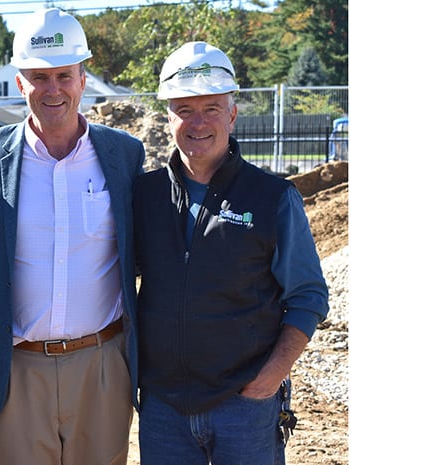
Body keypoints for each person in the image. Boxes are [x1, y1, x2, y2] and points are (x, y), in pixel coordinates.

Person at [0, 8, 145, 465]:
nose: (53, 89)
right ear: (20, 82)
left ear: (83, 78)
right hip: (15, 364)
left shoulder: (124, 155)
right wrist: (3, 291)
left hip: (101, 363)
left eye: (64, 75)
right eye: (39, 77)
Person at [133, 41, 330, 465]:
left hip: (245, 407)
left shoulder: (273, 197)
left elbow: (308, 295)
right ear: (167, 115)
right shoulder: (144, 196)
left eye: (212, 108)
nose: (197, 122)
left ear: (233, 113)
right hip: (164, 407)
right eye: (184, 108)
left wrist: (270, 379)